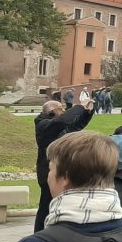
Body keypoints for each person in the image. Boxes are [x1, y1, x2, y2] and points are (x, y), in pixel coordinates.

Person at [34, 98, 94, 232]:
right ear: (51, 112)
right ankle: (40, 233)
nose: (64, 111)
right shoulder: (43, 125)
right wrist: (79, 106)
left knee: (57, 204)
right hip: (49, 173)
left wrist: (87, 112)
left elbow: (76, 126)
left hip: (60, 171)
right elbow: (62, 121)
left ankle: (56, 231)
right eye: (60, 108)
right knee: (46, 206)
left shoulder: (58, 127)